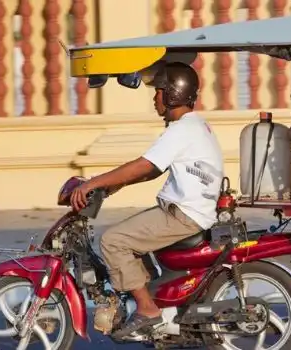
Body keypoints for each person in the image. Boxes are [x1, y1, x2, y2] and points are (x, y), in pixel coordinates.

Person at [68, 62, 225, 338]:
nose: (155, 98)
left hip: (183, 215)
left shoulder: (181, 130)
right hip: (188, 211)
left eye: (159, 91)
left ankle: (147, 309)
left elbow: (143, 165)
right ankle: (153, 297)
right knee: (129, 236)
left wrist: (94, 182)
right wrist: (115, 185)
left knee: (113, 240)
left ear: (172, 94)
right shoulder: (193, 125)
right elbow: (153, 170)